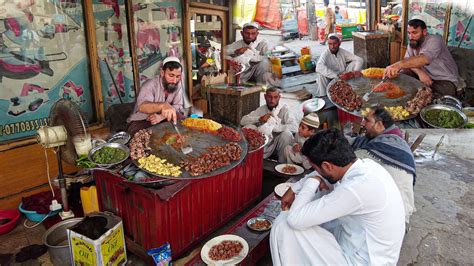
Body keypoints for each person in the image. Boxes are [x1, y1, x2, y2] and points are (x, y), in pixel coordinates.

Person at [270, 128, 406, 265]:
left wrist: (313, 181)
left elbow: (294, 219)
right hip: (360, 243)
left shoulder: (355, 189)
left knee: (284, 223)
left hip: (361, 261)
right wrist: (296, 187)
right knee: (323, 190)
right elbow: (327, 177)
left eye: (315, 169)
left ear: (327, 166)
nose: (315, 173)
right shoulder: (366, 167)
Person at [349, 107, 416, 224]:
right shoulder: (393, 138)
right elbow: (355, 141)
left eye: (367, 120)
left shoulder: (383, 145)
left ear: (379, 125)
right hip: (396, 212)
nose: (363, 123)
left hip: (396, 221)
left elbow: (347, 162)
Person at [384, 19, 459, 98]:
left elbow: (424, 59)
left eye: (415, 33)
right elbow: (408, 61)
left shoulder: (434, 40)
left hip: (443, 79)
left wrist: (398, 64)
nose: (411, 36)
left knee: (438, 97)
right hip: (425, 75)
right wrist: (420, 72)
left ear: (424, 32)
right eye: (409, 33)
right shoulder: (413, 42)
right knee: (403, 73)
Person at [127, 56, 184, 136]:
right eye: (171, 75)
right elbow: (142, 107)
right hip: (143, 119)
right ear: (162, 73)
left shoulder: (178, 85)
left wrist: (161, 116)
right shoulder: (150, 85)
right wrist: (163, 106)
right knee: (141, 138)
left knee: (182, 122)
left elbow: (178, 105)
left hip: (163, 118)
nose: (174, 81)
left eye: (177, 76)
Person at [241, 87, 298, 162]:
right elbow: (243, 121)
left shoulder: (284, 110)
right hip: (264, 144)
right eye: (269, 97)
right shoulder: (262, 109)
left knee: (286, 134)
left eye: (275, 97)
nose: (272, 100)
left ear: (279, 97)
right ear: (265, 96)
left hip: (278, 143)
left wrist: (276, 127)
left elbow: (295, 127)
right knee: (249, 127)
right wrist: (260, 118)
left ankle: (281, 165)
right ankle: (252, 159)